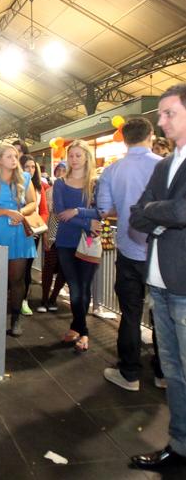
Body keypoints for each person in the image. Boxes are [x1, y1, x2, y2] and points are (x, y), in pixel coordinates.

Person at [129, 84, 186, 470]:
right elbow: (135, 214)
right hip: (161, 283)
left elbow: (182, 211)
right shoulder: (165, 164)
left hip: (183, 284)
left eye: (169, 113)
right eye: (161, 115)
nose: (161, 121)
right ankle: (180, 444)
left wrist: (155, 211)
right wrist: (156, 211)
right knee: (174, 372)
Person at [97, 117, 163, 392]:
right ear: (150, 135)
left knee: (131, 313)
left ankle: (130, 373)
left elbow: (103, 210)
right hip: (162, 253)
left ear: (123, 139)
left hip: (129, 250)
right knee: (163, 315)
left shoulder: (112, 171)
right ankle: (163, 373)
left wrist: (125, 210)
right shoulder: (165, 166)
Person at [0, 143, 37, 336]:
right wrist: (7, 212)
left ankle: (16, 319)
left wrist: (19, 213)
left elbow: (32, 203)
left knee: (17, 278)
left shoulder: (25, 178)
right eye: (9, 156)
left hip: (18, 231)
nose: (14, 159)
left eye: (15, 156)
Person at [53, 139, 102, 352]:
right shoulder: (60, 184)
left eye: (78, 155)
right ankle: (84, 333)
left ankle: (76, 327)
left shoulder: (95, 183)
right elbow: (59, 213)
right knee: (75, 288)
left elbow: (102, 210)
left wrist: (77, 212)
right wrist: (86, 220)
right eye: (71, 155)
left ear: (86, 157)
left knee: (84, 287)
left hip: (89, 242)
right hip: (65, 242)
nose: (74, 159)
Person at [19, 155, 50, 316]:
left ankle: (24, 300)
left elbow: (44, 211)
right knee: (16, 267)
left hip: (33, 232)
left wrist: (38, 226)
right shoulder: (14, 185)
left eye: (33, 167)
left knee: (27, 268)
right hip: (16, 230)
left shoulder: (40, 189)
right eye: (26, 167)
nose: (30, 170)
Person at [38, 174, 66, 313]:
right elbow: (47, 214)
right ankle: (44, 299)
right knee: (48, 268)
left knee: (64, 270)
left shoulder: (74, 191)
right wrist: (46, 234)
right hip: (52, 235)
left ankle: (53, 298)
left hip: (68, 237)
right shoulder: (50, 192)